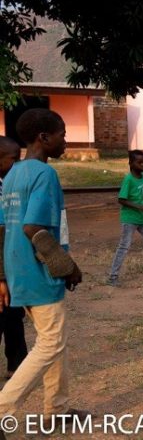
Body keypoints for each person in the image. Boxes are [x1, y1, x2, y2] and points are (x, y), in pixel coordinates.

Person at [0, 108, 86, 422]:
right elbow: (32, 227)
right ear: (44, 137)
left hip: (17, 269)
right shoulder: (43, 173)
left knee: (54, 339)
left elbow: (3, 228)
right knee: (50, 343)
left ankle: (58, 409)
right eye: (63, 134)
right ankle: (3, 407)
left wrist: (3, 276)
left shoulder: (12, 174)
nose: (66, 140)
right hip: (38, 271)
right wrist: (67, 266)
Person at [107, 150, 143, 286]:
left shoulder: (142, 178)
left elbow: (141, 196)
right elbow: (121, 199)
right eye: (139, 162)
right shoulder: (128, 179)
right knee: (124, 246)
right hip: (130, 219)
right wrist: (142, 208)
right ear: (131, 164)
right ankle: (113, 276)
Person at [0, 137, 27, 380]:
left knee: (13, 315)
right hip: (2, 269)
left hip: (10, 263)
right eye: (13, 159)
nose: (16, 164)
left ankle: (17, 365)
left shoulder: (7, 184)